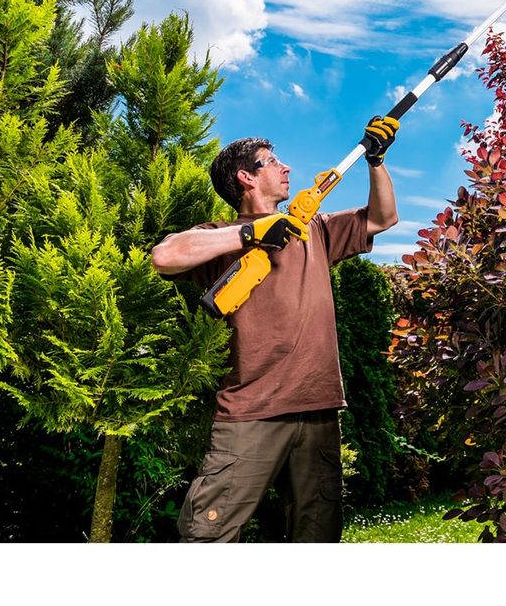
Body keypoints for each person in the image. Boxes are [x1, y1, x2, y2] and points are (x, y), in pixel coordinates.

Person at [150, 115, 400, 542]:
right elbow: (164, 256)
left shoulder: (313, 229)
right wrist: (253, 233)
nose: (287, 168)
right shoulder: (220, 236)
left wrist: (376, 162)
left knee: (317, 537)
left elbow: (383, 218)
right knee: (208, 534)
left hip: (318, 409)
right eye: (272, 162)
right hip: (251, 411)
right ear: (245, 177)